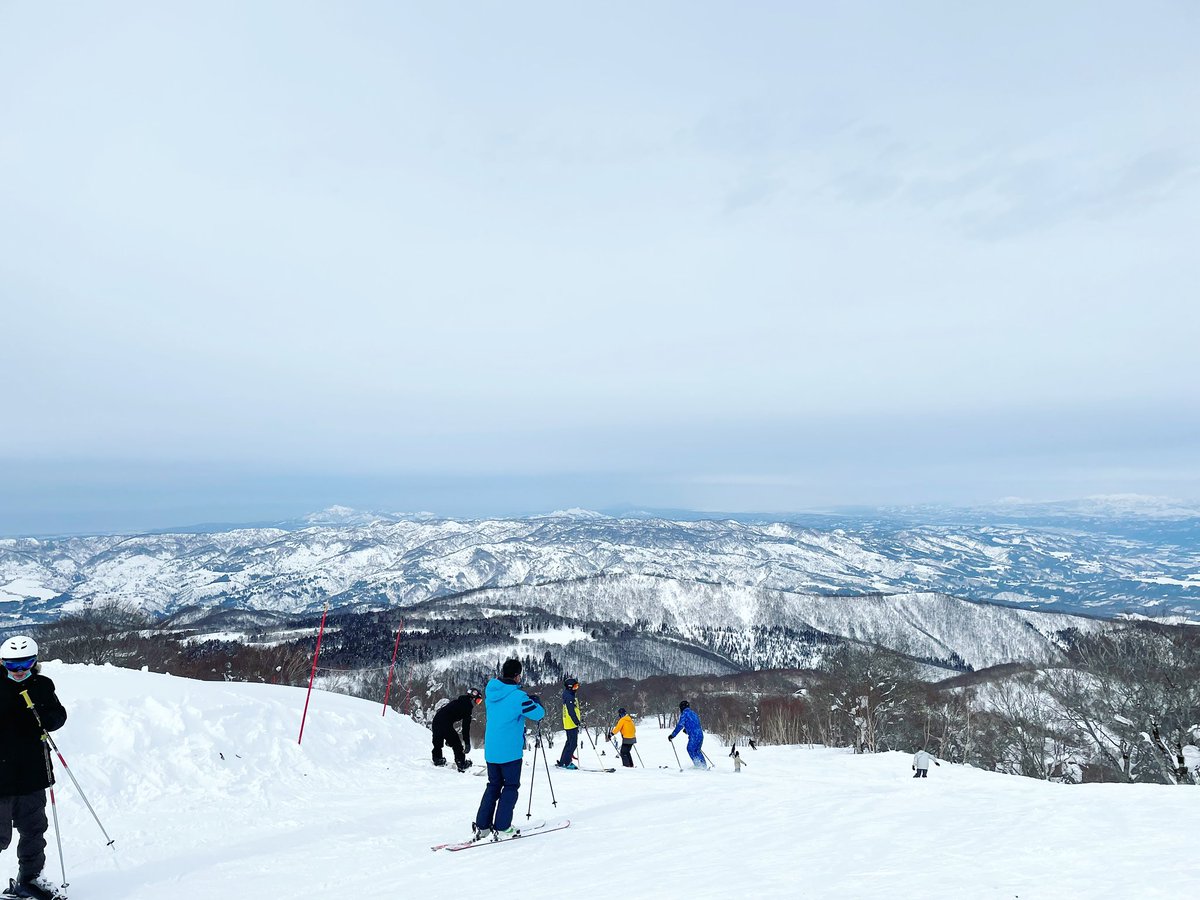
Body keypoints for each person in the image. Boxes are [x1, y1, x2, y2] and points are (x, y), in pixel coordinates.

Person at [1, 636, 67, 900]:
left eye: (26, 663)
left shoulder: (42, 685)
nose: (18, 670)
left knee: (34, 829)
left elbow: (58, 715)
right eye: (11, 664)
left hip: (32, 772)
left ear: (35, 661)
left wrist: (45, 716)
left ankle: (29, 880)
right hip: (1, 775)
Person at [472, 659, 544, 842]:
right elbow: (538, 714)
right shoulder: (518, 697)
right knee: (510, 787)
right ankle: (503, 827)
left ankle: (483, 826)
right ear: (517, 675)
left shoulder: (491, 693)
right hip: (510, 752)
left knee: (493, 786)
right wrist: (536, 702)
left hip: (492, 751)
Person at [431, 688, 482, 772]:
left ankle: (437, 759)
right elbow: (465, 728)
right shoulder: (467, 707)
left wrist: (448, 737)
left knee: (438, 742)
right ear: (473, 698)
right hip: (444, 723)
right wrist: (467, 743)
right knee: (457, 744)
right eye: (478, 701)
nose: (477, 703)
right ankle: (461, 763)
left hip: (436, 720)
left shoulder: (458, 701)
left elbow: (448, 715)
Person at [669, 700, 706, 768]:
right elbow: (695, 723)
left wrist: (673, 735)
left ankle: (699, 766)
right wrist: (687, 730)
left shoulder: (685, 714)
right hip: (700, 734)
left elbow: (680, 725)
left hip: (694, 735)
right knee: (697, 750)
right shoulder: (693, 713)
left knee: (690, 749)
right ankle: (703, 765)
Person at [555, 676, 581, 770]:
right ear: (570, 687)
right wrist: (577, 722)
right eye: (575, 687)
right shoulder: (569, 697)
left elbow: (575, 709)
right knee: (573, 744)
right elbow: (571, 711)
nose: (576, 689)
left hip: (570, 723)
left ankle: (563, 761)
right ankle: (567, 762)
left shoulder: (569, 695)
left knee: (569, 743)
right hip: (571, 724)